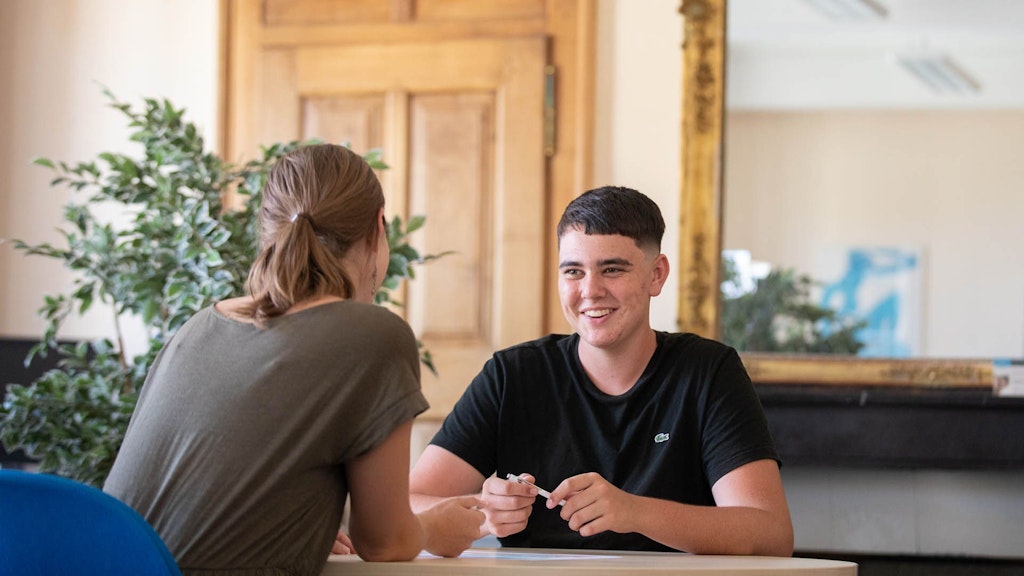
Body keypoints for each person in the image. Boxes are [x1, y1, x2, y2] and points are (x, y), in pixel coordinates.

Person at [103, 144, 484, 576]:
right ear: (379, 227)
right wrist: (435, 527)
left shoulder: (199, 326)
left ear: (267, 229)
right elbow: (385, 541)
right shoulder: (374, 335)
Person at [409, 186, 793, 556]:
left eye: (612, 269)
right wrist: (483, 505)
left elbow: (770, 533)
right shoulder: (512, 375)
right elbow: (407, 503)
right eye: (573, 272)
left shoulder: (708, 371)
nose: (590, 291)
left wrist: (634, 512)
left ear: (656, 275)